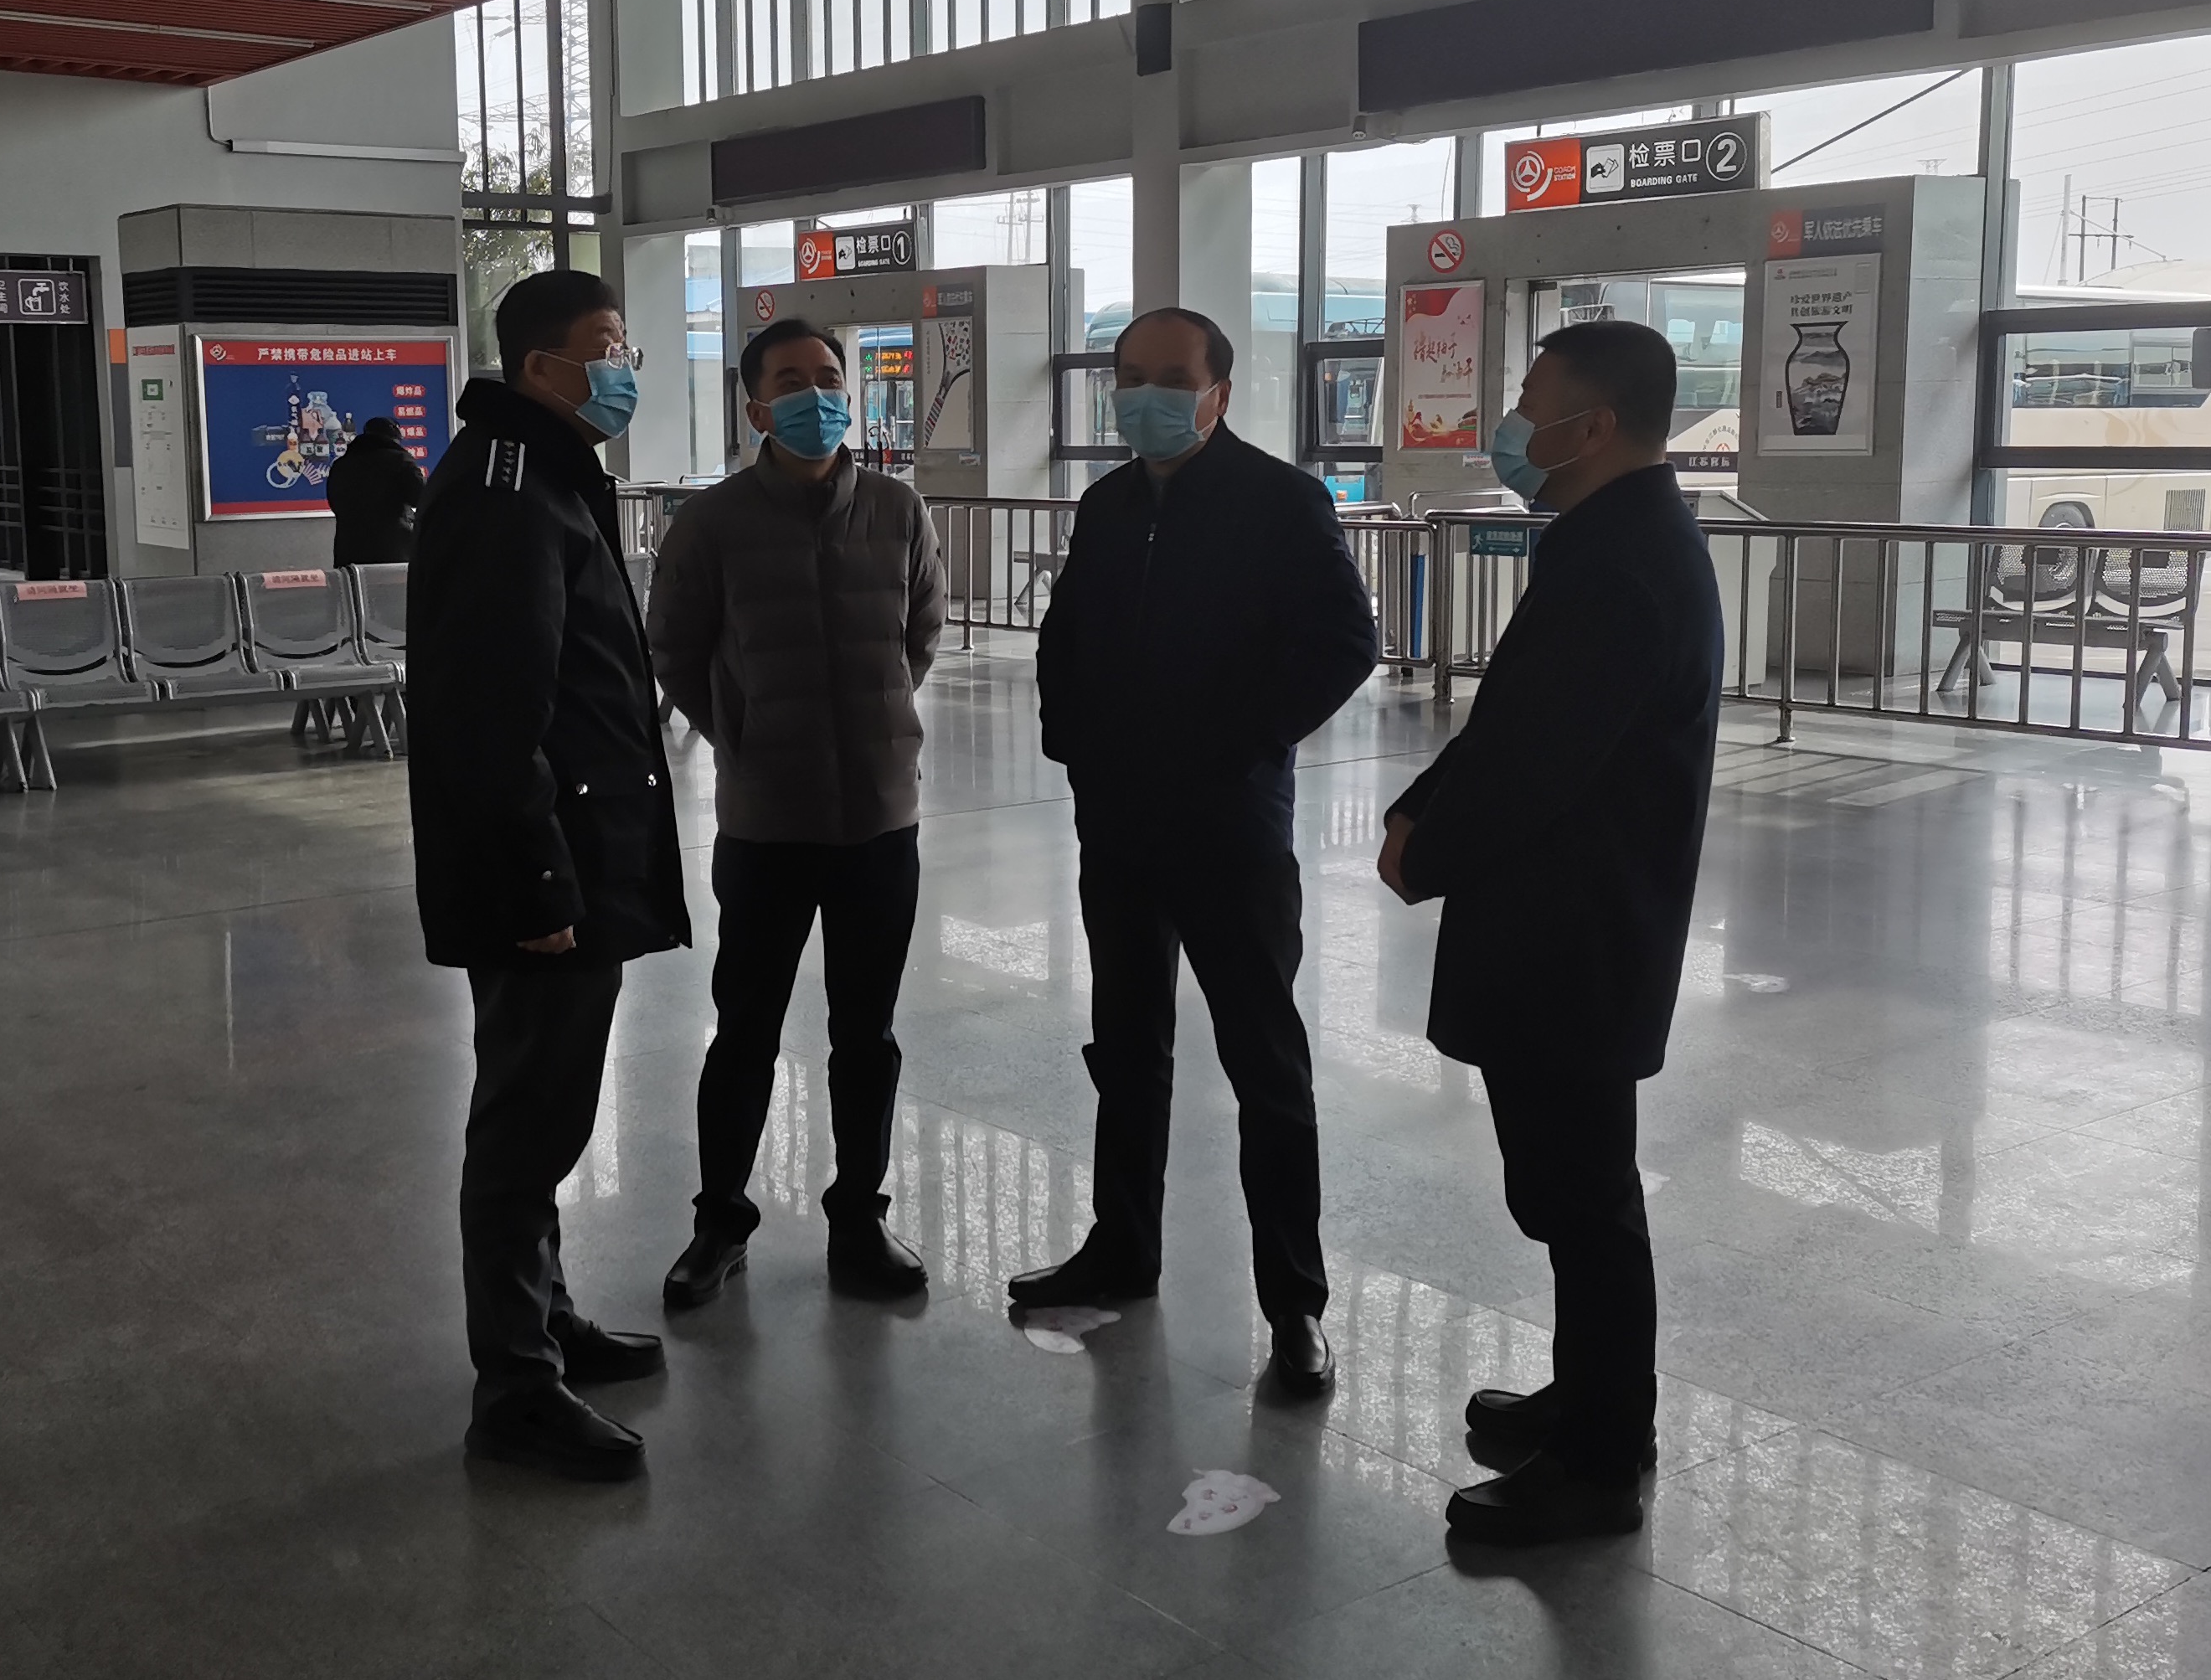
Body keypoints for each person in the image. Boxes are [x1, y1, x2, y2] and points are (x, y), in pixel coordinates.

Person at [1378, 320, 1723, 1546]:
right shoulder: (1610, 538)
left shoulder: (1622, 562)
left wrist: (1427, 848)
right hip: (1570, 921)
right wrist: (1422, 805)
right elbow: (1513, 725)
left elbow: (1536, 764)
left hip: (1575, 928)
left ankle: (1599, 1459)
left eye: (1530, 399)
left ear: (1597, 423)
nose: (1513, 423)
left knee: (1583, 1198)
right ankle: (1587, 1398)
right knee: (1571, 1189)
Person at [1009, 306, 1377, 1399]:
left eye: (1170, 377)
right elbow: (1065, 636)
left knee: (1264, 1063)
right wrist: (1072, 743)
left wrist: (1238, 744)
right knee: (1126, 1049)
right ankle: (1121, 1247)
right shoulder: (1109, 503)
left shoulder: (1280, 501)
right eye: (1129, 376)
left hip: (1230, 829)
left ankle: (1294, 1304)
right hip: (1119, 824)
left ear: (1219, 389)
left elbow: (1342, 643)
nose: (1145, 396)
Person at [410, 269, 689, 1482]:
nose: (624, 367)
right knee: (526, 1128)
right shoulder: (509, 490)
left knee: (548, 1110)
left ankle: (547, 1319)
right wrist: (534, 886)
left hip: (576, 858)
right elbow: (490, 715)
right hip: (545, 873)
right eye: (608, 346)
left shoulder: (542, 475)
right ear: (541, 367)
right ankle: (515, 1387)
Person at [651, 319, 946, 1311]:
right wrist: (743, 732)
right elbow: (674, 648)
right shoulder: (711, 523)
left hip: (879, 821)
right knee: (745, 1028)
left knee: (867, 1033)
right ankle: (719, 1222)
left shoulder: (898, 510)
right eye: (791, 381)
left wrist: (874, 723)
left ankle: (858, 1216)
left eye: (828, 376)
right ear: (755, 407)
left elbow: (919, 634)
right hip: (765, 823)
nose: (816, 394)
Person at [327, 415, 425, 567]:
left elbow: (335, 502)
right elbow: (421, 497)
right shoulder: (400, 460)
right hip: (392, 549)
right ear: (395, 437)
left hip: (349, 549)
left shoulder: (341, 465)